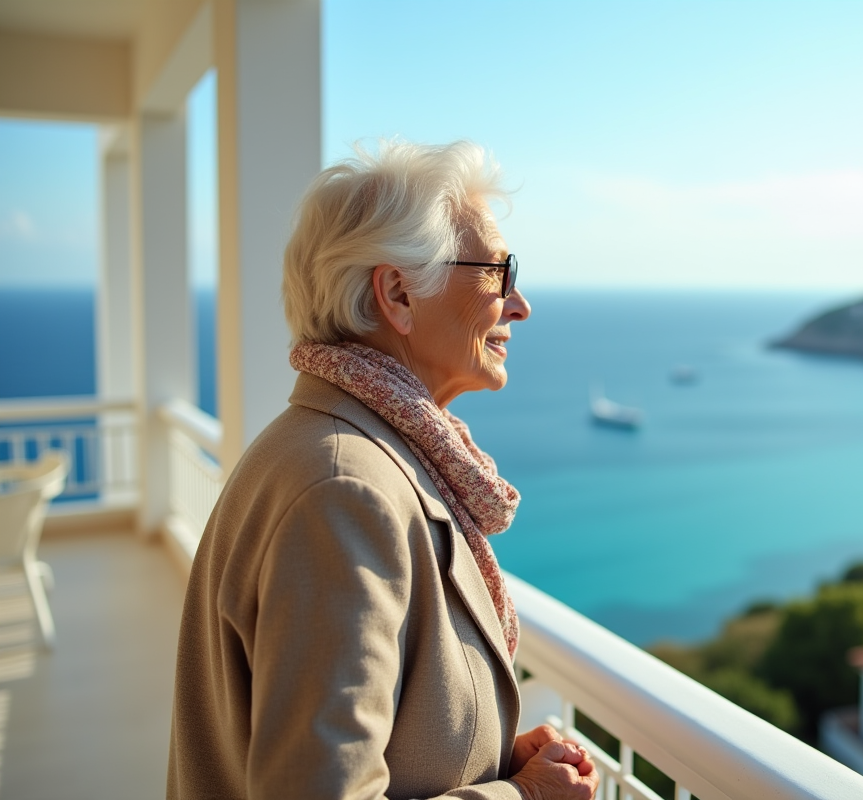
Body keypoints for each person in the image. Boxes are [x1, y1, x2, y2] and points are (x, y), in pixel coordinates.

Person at [168, 140, 599, 800]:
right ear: (398, 293)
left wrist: (496, 760)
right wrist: (527, 797)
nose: (519, 305)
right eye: (499, 273)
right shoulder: (344, 491)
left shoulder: (341, 449)